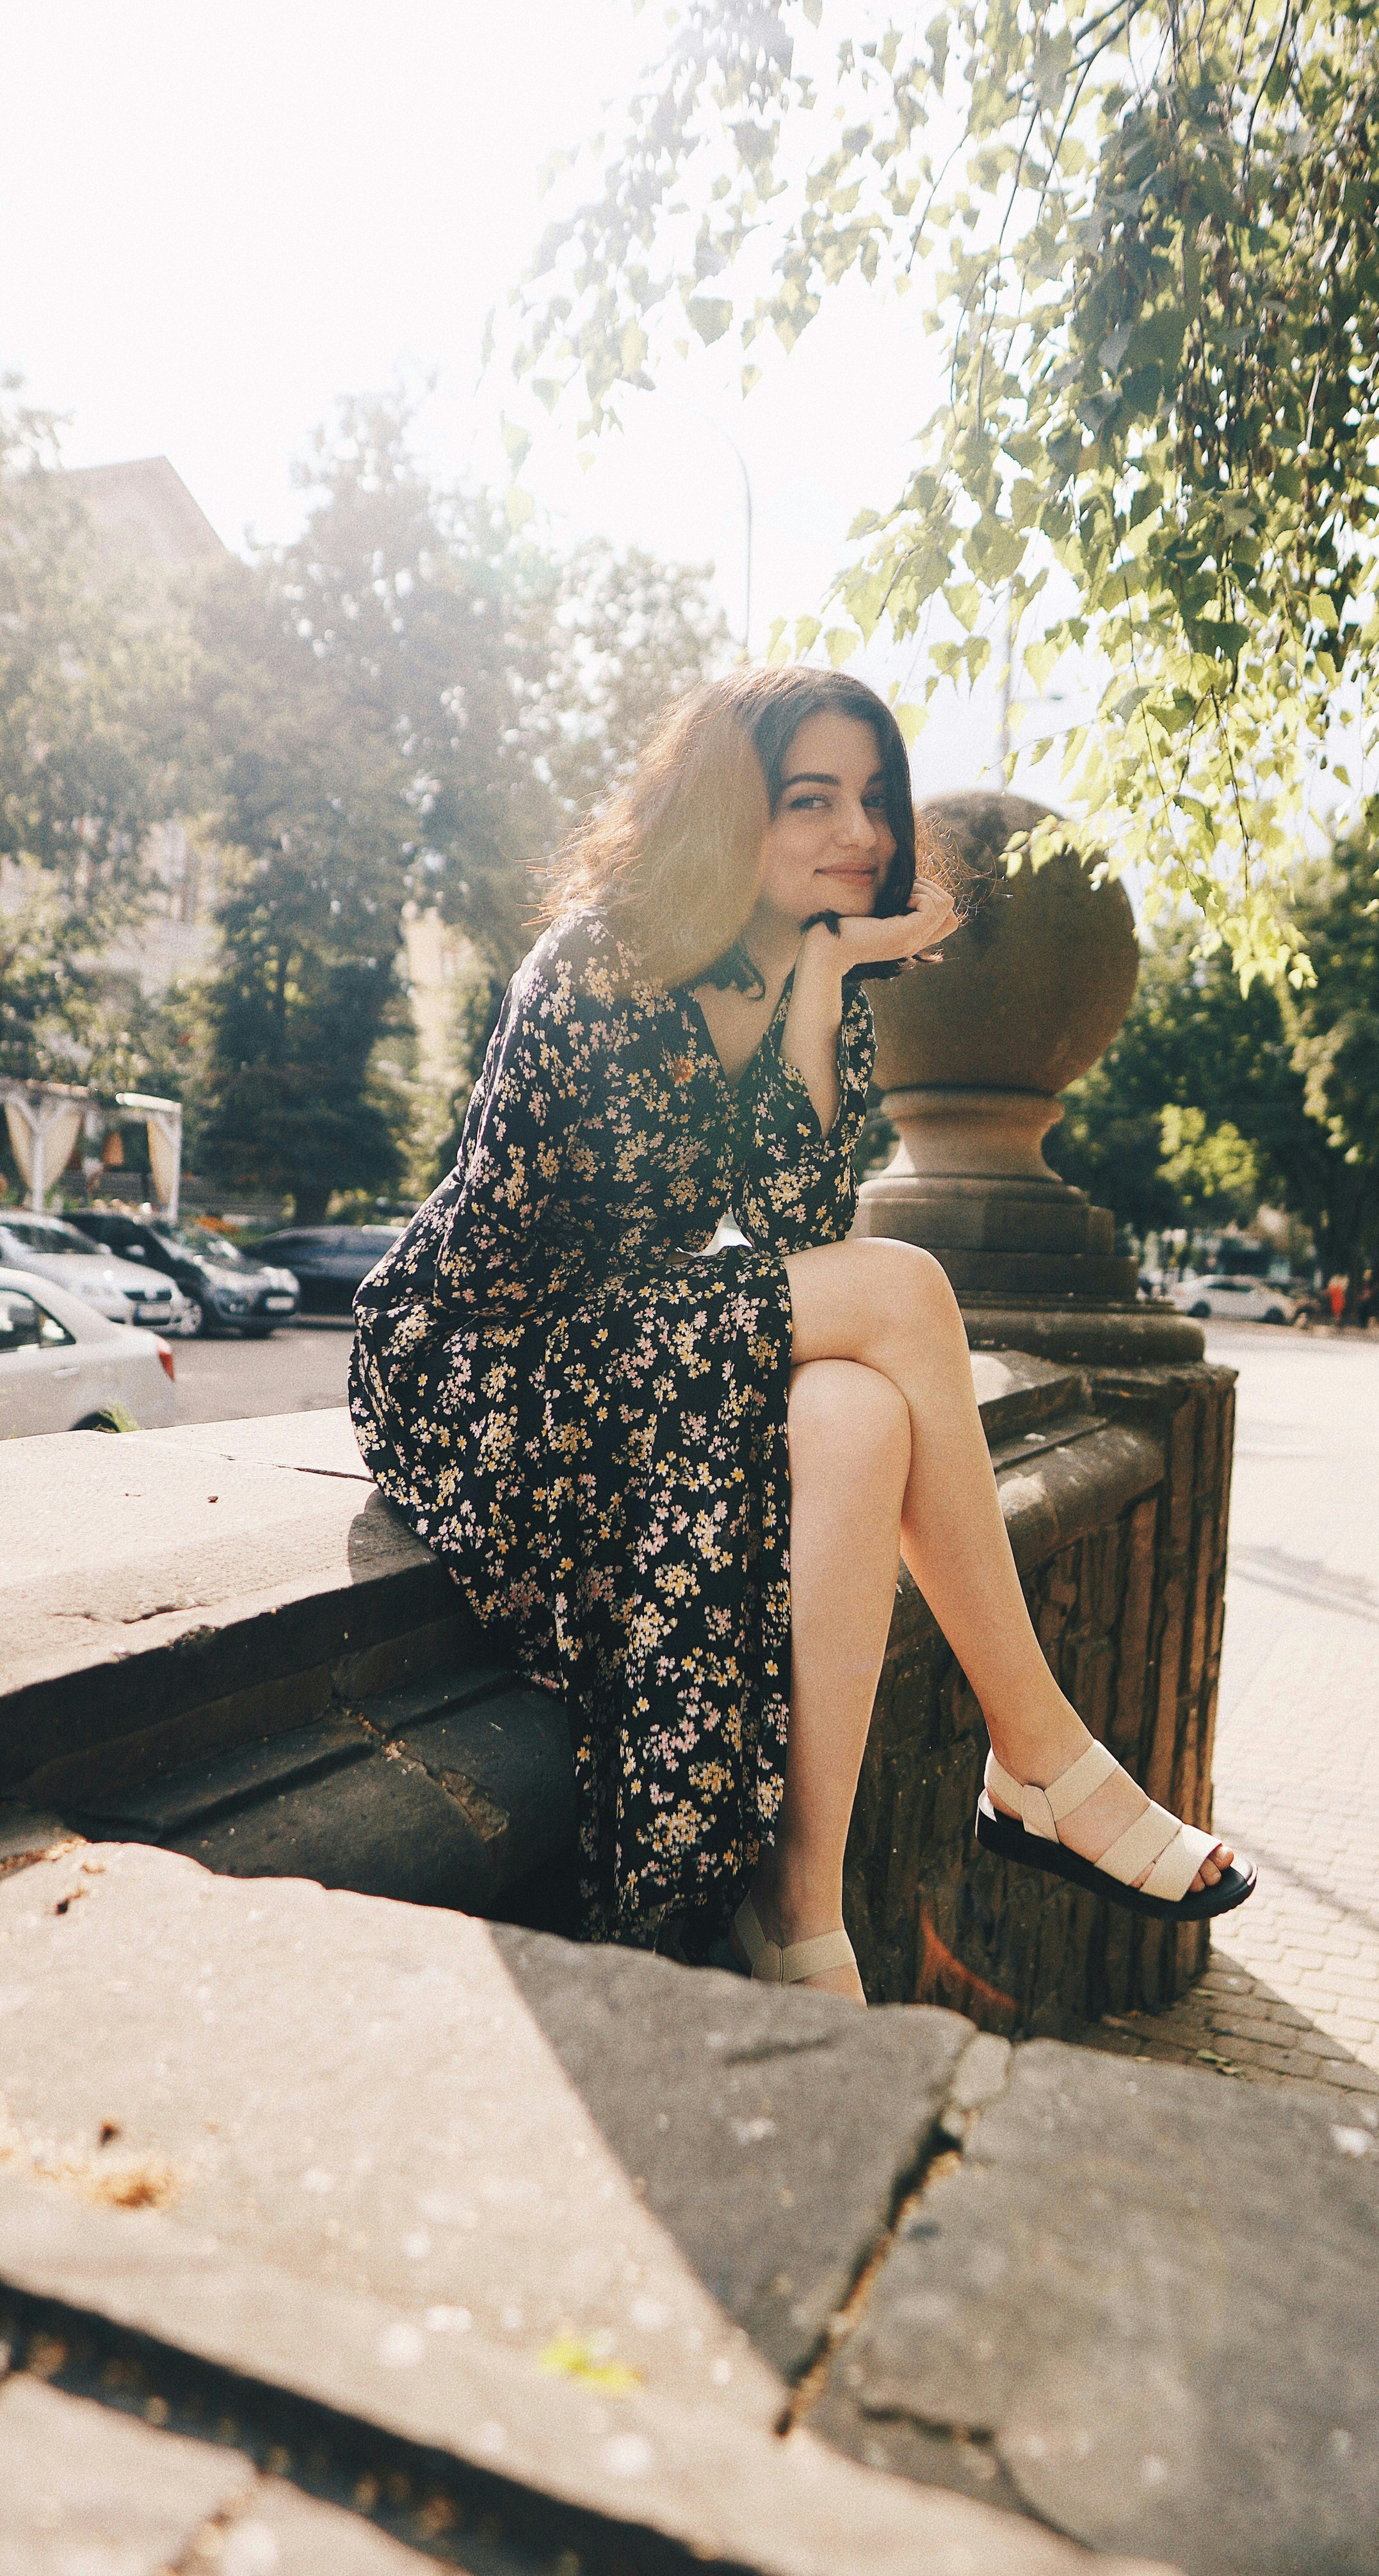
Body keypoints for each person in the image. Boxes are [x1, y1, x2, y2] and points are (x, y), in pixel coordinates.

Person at [350, 668, 1253, 2005]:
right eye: (811, 798)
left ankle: (799, 1904)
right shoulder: (603, 955)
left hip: (637, 1339)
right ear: (731, 808)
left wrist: (825, 982)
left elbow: (788, 1231)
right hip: (484, 1356)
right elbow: (522, 1248)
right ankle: (1042, 1753)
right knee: (902, 1291)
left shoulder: (812, 976)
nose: (861, 833)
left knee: (859, 1414)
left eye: (874, 799)